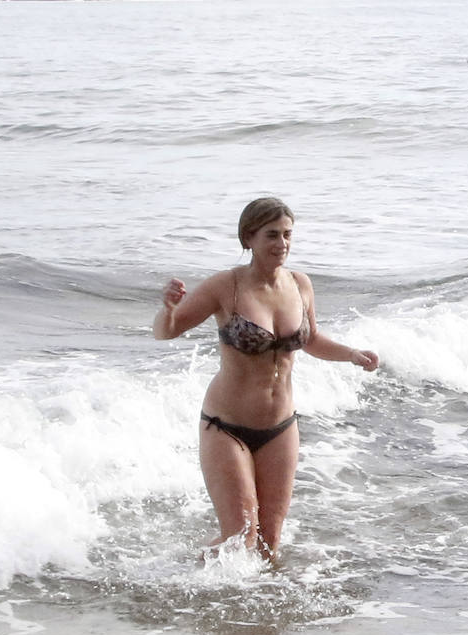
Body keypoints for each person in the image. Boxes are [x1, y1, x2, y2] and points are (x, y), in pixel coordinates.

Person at [153, 197, 379, 559]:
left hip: (280, 428)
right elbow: (168, 332)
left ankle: (255, 615)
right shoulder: (225, 287)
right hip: (226, 426)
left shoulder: (300, 284)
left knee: (267, 544)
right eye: (272, 235)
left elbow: (312, 339)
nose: (282, 244)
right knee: (238, 538)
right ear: (248, 239)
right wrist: (167, 309)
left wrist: (351, 354)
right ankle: (175, 578)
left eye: (288, 234)